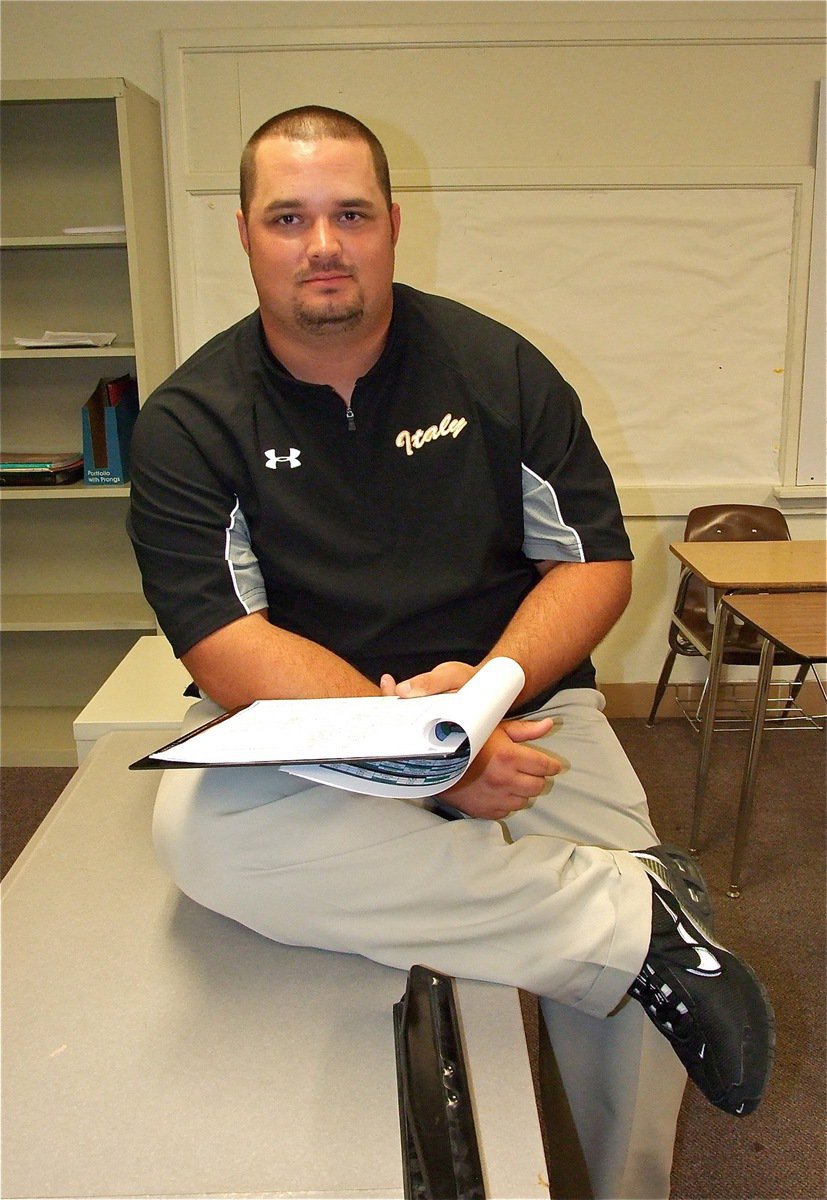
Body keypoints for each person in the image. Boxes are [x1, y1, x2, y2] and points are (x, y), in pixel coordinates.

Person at [127, 106, 774, 1198]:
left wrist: (478, 705)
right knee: (203, 847)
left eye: (349, 214)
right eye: (289, 217)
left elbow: (590, 565)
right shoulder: (191, 421)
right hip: (301, 730)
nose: (321, 244)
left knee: (638, 1019)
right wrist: (425, 755)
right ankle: (632, 920)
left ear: (391, 226)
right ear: (244, 232)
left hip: (520, 711)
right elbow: (226, 643)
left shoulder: (494, 368)